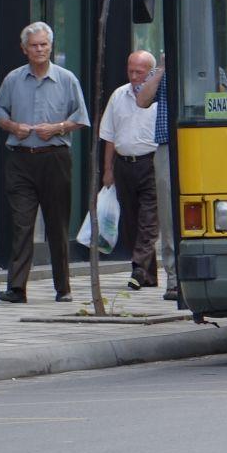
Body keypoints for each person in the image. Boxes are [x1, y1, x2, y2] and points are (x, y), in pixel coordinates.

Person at [0, 21, 90, 303]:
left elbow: (80, 118)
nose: (39, 50)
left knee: (57, 224)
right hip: (21, 159)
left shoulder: (67, 79)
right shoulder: (13, 79)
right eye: (34, 45)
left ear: (51, 46)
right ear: (24, 49)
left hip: (54, 159)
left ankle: (63, 288)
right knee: (21, 224)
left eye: (44, 45)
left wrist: (57, 128)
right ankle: (16, 288)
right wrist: (14, 127)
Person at [100, 51, 161, 290]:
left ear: (151, 72)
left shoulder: (158, 97)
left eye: (139, 72)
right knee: (131, 220)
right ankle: (149, 275)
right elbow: (109, 136)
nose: (134, 76)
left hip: (151, 162)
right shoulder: (118, 95)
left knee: (149, 219)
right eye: (131, 71)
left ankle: (138, 268)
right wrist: (108, 169)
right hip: (124, 164)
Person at [131, 55, 177, 300]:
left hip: (203, 141)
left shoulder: (210, 62)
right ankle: (174, 278)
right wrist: (160, 69)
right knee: (168, 215)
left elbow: (222, 96)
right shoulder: (159, 72)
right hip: (167, 145)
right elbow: (142, 100)